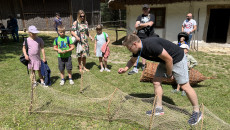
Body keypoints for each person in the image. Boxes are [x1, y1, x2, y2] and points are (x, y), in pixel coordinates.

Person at [118, 34, 202, 125]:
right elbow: (132, 61)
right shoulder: (138, 49)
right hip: (164, 60)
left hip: (177, 58)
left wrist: (169, 74)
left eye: (129, 48)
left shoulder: (151, 46)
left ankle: (197, 112)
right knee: (156, 82)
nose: (129, 50)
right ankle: (159, 109)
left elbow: (169, 60)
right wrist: (125, 69)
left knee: (185, 86)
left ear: (134, 44)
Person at [128, 4, 155, 75]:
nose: (145, 10)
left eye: (146, 9)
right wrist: (145, 24)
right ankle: (135, 67)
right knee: (135, 51)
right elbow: (136, 26)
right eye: (144, 9)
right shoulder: (140, 16)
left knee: (145, 51)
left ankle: (143, 65)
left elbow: (151, 24)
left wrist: (140, 25)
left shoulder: (151, 16)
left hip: (148, 36)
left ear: (149, 9)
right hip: (139, 36)